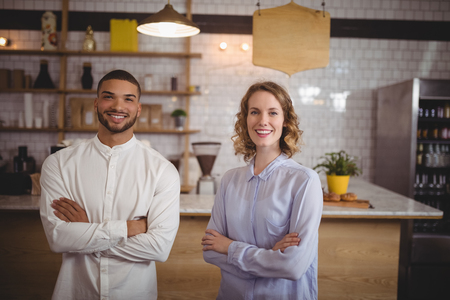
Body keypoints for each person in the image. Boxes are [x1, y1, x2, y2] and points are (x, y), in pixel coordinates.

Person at [40, 70, 180, 300]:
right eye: (109, 97)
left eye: (128, 99)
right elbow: (58, 239)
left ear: (139, 108)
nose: (118, 106)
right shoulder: (58, 163)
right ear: (96, 104)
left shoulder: (162, 170)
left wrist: (87, 228)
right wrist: (128, 228)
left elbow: (159, 248)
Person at [201, 81, 323, 299]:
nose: (262, 121)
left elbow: (293, 267)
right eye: (254, 112)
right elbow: (210, 251)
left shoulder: (304, 181)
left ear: (285, 121)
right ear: (245, 119)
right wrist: (270, 258)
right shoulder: (230, 180)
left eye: (273, 113)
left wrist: (229, 248)